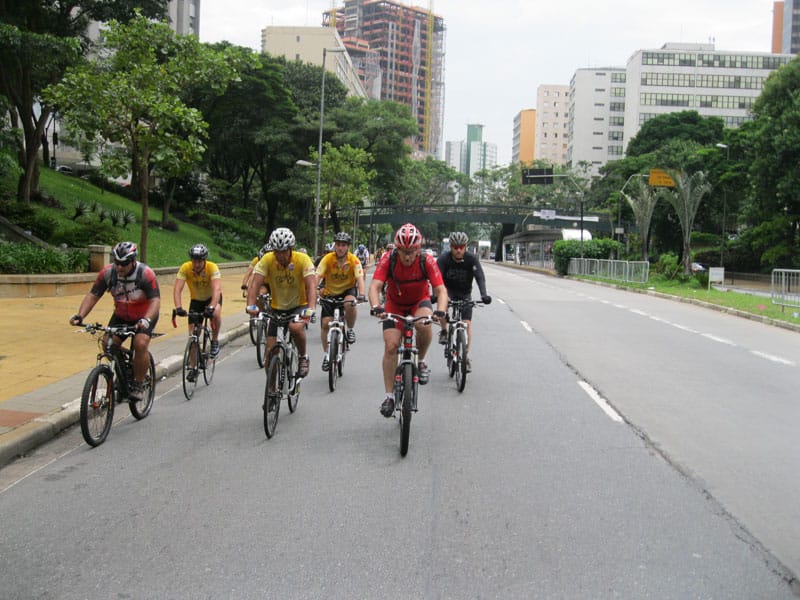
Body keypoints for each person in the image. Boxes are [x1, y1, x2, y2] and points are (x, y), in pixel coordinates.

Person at [369, 223, 448, 417]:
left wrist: (440, 311)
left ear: (418, 249)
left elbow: (441, 290)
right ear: (397, 249)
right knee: (391, 346)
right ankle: (389, 397)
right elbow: (375, 287)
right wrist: (376, 306)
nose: (407, 256)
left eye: (411, 252)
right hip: (394, 304)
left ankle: (421, 360)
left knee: (424, 324)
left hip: (418, 302)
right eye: (403, 251)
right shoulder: (388, 259)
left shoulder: (426, 260)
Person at [68, 241, 160, 401]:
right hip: (121, 314)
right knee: (108, 344)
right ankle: (125, 370)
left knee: (140, 344)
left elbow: (155, 301)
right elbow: (93, 295)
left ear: (133, 261)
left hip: (144, 315)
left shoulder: (146, 274)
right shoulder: (108, 273)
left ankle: (139, 383)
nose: (119, 267)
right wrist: (80, 315)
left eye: (124, 263)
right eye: (117, 262)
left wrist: (146, 319)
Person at [245, 227, 316, 378]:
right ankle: (271, 389)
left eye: (283, 252)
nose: (280, 255)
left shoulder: (302, 259)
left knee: (295, 328)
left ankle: (303, 356)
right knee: (270, 354)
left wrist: (311, 308)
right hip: (276, 308)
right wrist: (250, 304)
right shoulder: (267, 259)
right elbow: (255, 284)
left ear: (291, 249)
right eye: (276, 251)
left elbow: (311, 286)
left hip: (298, 305)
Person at [436, 231, 491, 372]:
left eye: (461, 247)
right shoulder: (443, 259)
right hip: (448, 292)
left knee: (467, 324)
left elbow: (480, 277)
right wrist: (436, 294)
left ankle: (465, 356)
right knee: (442, 307)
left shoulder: (471, 259)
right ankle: (444, 331)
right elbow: (436, 279)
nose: (459, 250)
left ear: (466, 247)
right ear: (451, 247)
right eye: (455, 247)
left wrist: (484, 294)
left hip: (465, 293)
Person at [316, 231, 366, 371]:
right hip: (330, 293)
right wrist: (313, 291)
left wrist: (362, 294)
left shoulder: (354, 260)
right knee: (325, 324)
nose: (340, 248)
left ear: (348, 247)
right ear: (335, 246)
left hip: (347, 291)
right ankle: (327, 355)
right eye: (338, 245)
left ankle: (350, 329)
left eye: (343, 245)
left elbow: (360, 278)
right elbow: (317, 276)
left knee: (350, 303)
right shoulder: (327, 259)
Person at [173, 244, 223, 368]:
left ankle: (215, 341)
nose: (196, 264)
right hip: (196, 300)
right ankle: (193, 367)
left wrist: (211, 307)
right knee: (193, 335)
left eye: (200, 261)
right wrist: (178, 307)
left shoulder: (212, 267)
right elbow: (177, 289)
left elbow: (217, 289)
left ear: (205, 260)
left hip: (212, 298)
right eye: (194, 261)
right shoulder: (185, 268)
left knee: (216, 313)